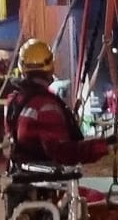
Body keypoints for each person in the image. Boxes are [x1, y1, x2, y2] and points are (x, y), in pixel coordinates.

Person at [6, 38, 107, 168]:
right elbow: (63, 153)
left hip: (22, 174)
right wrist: (104, 146)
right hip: (47, 182)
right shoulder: (46, 106)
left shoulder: (14, 101)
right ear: (50, 67)